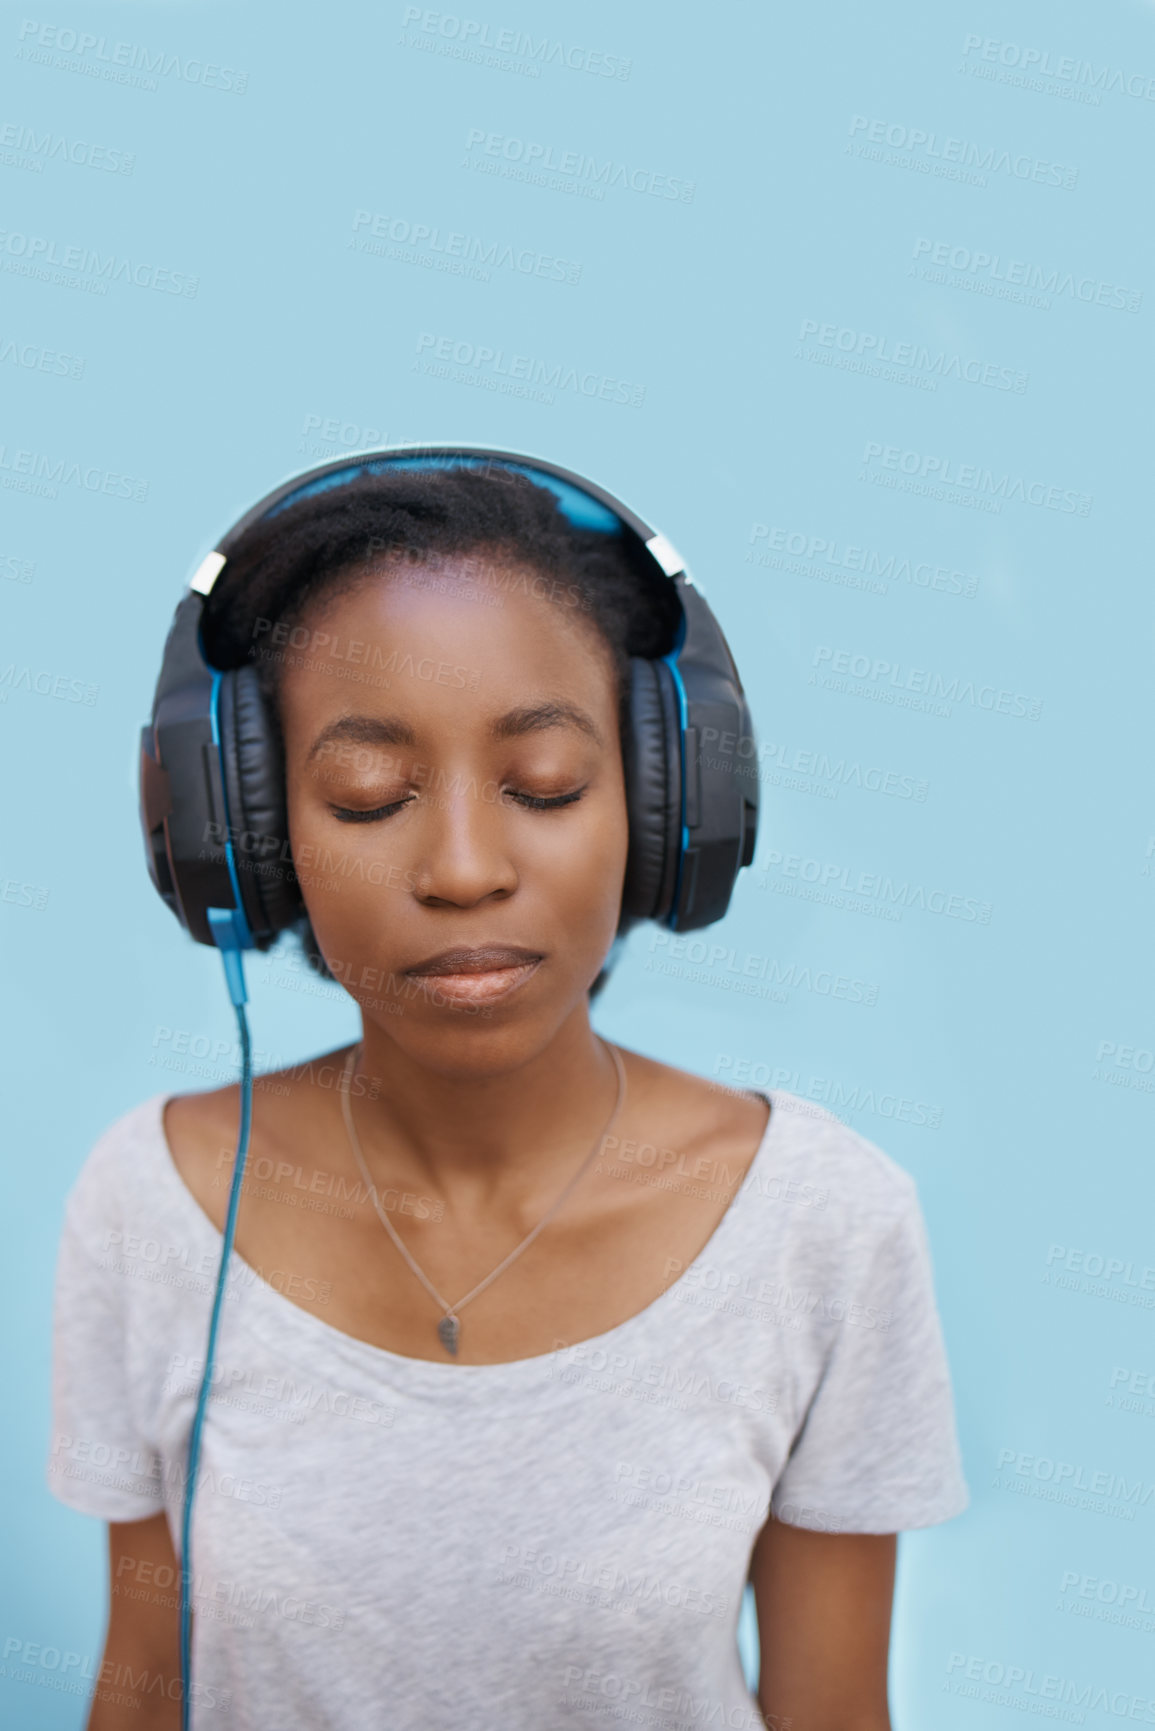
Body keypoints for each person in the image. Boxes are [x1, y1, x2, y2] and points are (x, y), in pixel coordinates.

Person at [48, 460, 968, 1730]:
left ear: (666, 802)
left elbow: (832, 1714)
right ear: (245, 837)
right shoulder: (148, 1203)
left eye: (543, 784)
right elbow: (144, 1690)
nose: (467, 869)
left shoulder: (826, 1221)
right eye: (368, 796)